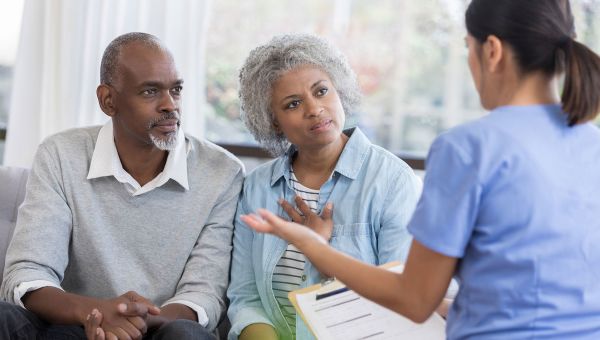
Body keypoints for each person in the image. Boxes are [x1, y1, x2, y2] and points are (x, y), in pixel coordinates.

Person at [240, 1, 600, 339]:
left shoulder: (467, 148)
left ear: (491, 51)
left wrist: (315, 248)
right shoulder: (593, 145)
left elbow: (415, 299)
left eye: (467, 48)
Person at [0, 32, 244, 340]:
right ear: (108, 100)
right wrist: (98, 314)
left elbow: (204, 292)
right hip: (73, 323)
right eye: (150, 92)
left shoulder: (222, 172)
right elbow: (28, 273)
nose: (170, 105)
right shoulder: (61, 154)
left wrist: (135, 321)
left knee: (187, 335)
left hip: (161, 328)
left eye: (176, 89)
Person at [226, 34, 423, 340]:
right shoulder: (256, 188)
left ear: (339, 91)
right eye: (293, 104)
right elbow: (245, 298)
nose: (314, 109)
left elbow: (400, 302)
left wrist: (323, 256)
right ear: (274, 121)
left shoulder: (393, 182)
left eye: (321, 91)